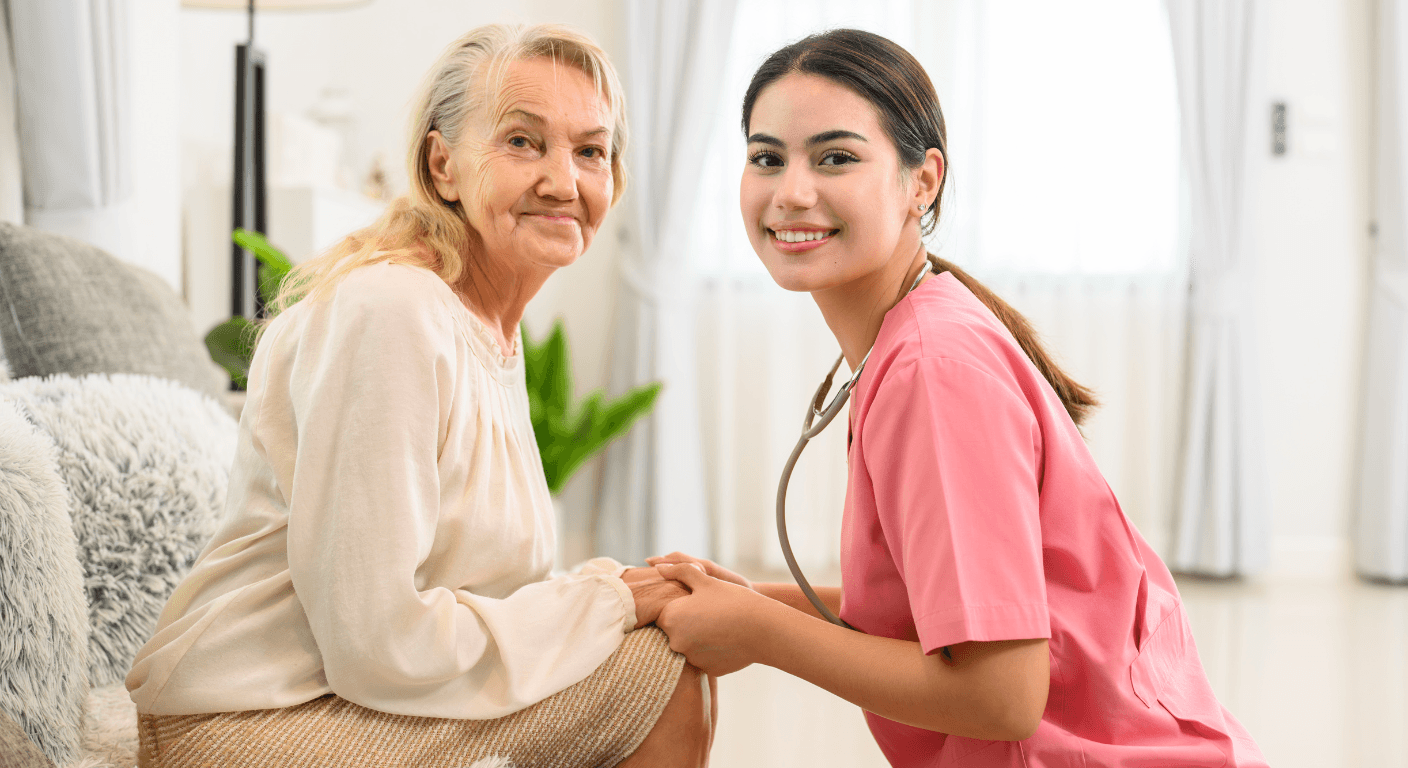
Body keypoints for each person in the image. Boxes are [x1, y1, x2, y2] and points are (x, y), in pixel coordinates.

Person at [648, 29, 1267, 767]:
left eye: (836, 157)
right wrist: (750, 600)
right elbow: (931, 610)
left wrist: (759, 633)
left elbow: (999, 694)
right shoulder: (919, 335)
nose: (791, 191)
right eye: (766, 157)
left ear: (923, 181)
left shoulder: (933, 371)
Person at [126, 24, 713, 768]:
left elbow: (471, 588)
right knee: (657, 673)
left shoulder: (486, 330)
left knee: (655, 647)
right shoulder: (394, 312)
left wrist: (617, 590)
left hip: (341, 695)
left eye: (590, 151)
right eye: (523, 142)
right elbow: (376, 641)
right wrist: (612, 602)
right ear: (444, 166)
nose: (564, 182)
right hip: (245, 724)